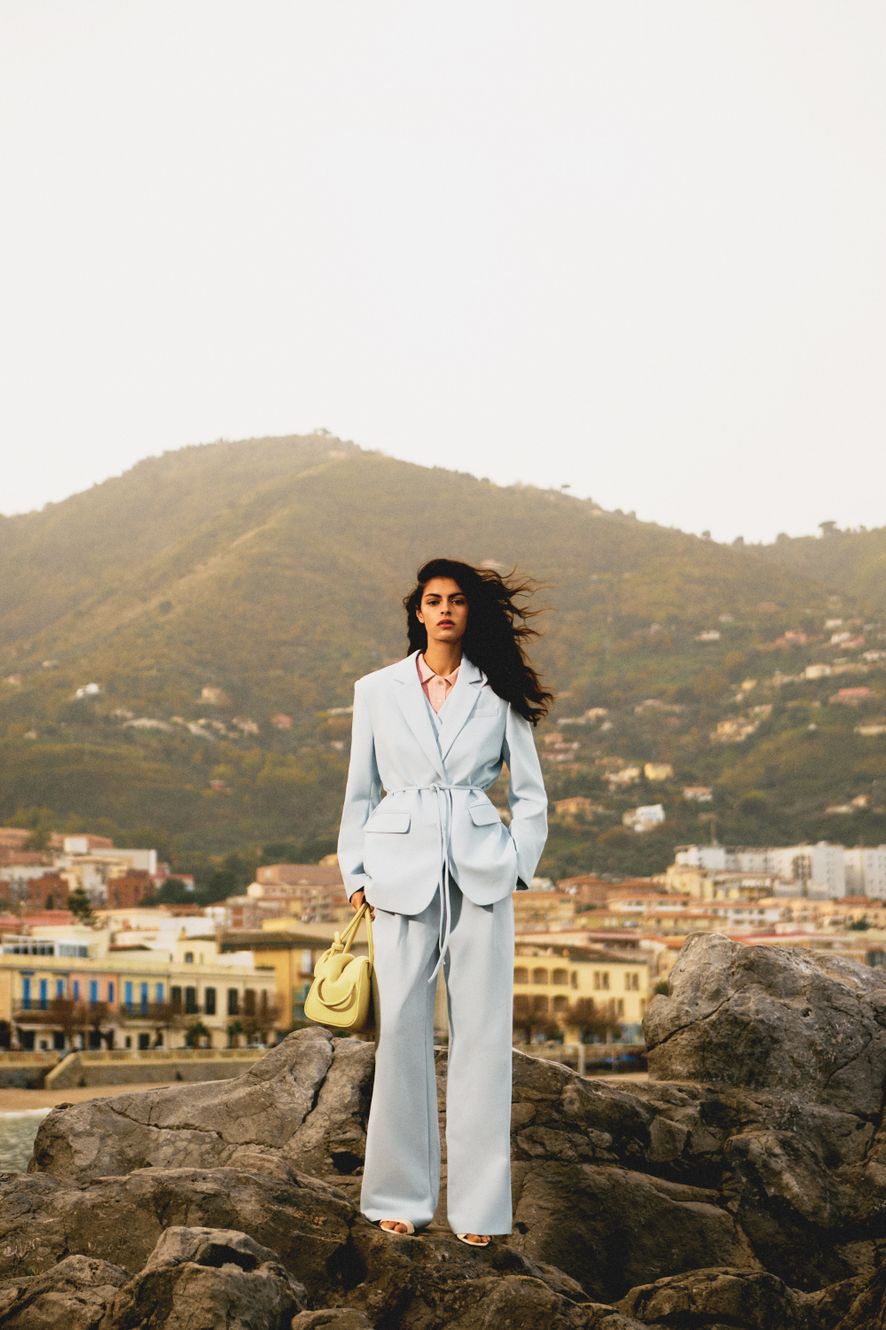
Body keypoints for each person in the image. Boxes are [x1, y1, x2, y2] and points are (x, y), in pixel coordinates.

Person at [337, 556, 551, 1247]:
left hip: (482, 872)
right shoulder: (376, 690)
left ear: (469, 611)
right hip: (397, 872)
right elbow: (360, 791)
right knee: (400, 1031)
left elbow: (530, 795)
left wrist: (516, 864)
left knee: (483, 1037)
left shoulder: (500, 690)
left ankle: (480, 1211)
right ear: (418, 612)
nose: (446, 610)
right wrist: (356, 873)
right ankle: (399, 1197)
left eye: (457, 600)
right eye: (434, 600)